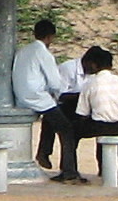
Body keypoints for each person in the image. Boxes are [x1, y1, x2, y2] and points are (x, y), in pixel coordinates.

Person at [60, 44, 118, 185]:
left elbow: (82, 113)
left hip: (99, 126)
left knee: (70, 132)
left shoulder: (90, 84)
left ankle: (69, 171)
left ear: (95, 66)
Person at [12, 17, 76, 170]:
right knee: (67, 129)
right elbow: (55, 83)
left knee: (51, 119)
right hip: (37, 97)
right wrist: (59, 94)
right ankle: (69, 171)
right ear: (50, 37)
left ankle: (44, 152)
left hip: (20, 96)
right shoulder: (44, 53)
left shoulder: (23, 51)